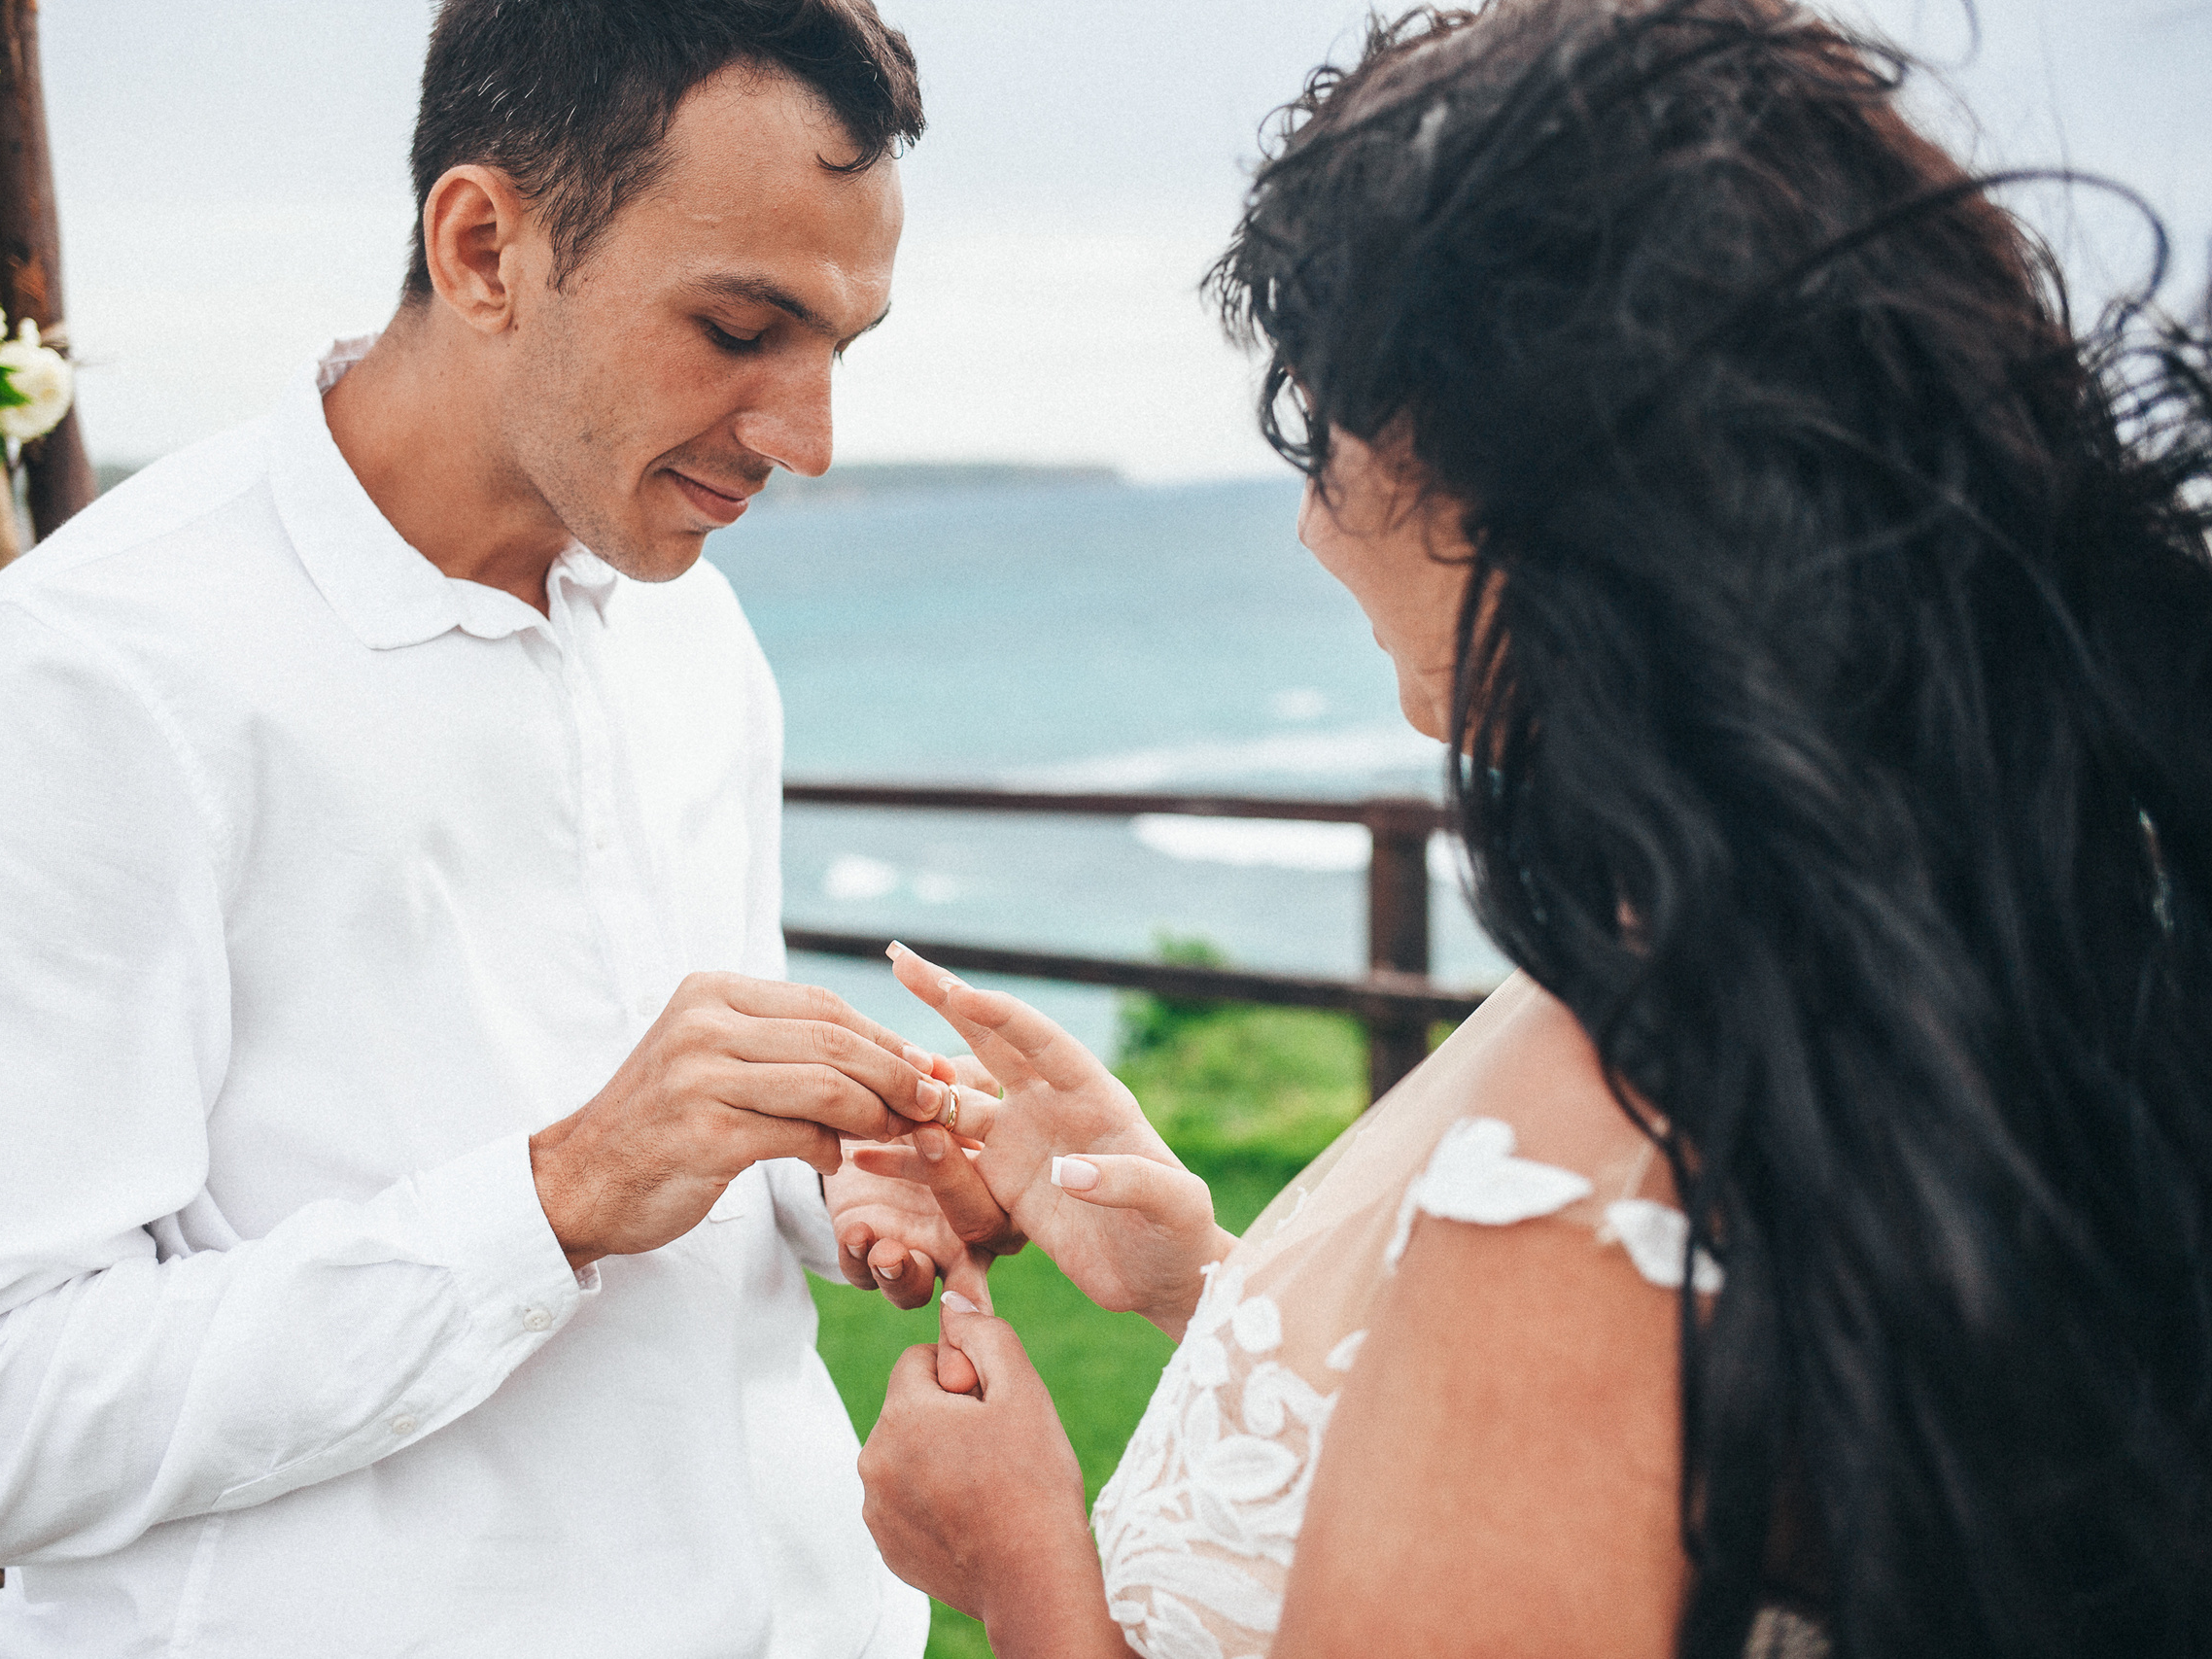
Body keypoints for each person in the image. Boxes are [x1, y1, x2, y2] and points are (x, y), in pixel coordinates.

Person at [853, 2, 2212, 1656]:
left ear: (1504, 468)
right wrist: (1217, 1287)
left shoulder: (1621, 1076)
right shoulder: (1913, 922)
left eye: (1324, 427)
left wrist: (1016, 1568)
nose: (1304, 522)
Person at [0, 3, 988, 1654]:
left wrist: (845, 1174)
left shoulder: (689, 632)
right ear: (485, 243)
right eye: (740, 328)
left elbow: (678, 1138)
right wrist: (557, 1194)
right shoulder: (91, 679)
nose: (807, 437)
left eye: (840, 347)